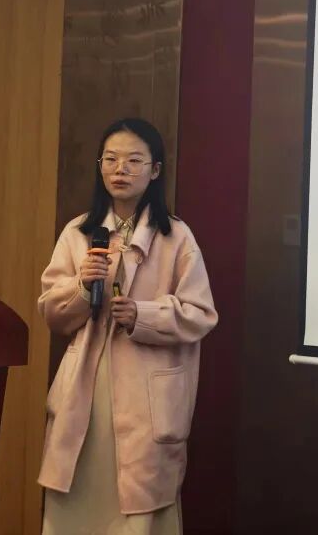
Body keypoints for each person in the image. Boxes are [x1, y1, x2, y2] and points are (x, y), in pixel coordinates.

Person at [38, 117, 217, 534]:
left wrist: (143, 315)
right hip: (87, 389)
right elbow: (52, 312)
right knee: (76, 500)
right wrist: (83, 287)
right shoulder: (78, 232)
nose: (120, 169)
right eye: (111, 159)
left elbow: (200, 313)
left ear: (155, 170)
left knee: (139, 508)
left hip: (146, 396)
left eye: (134, 160)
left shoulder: (177, 237)